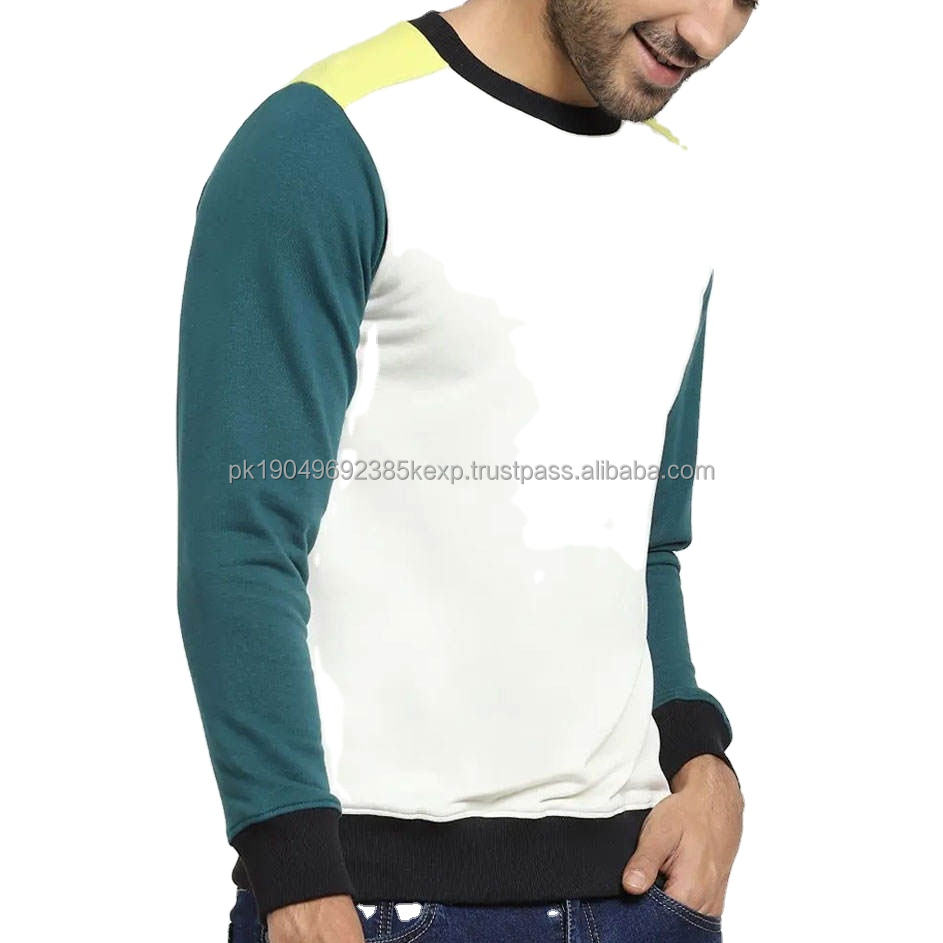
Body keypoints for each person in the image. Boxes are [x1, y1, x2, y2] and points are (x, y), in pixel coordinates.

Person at [176, 2, 755, 941]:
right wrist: (294, 873)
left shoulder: (677, 189)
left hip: (643, 892)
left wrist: (702, 762)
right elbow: (240, 543)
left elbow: (648, 542)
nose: (710, 33)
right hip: (370, 902)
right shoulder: (326, 142)